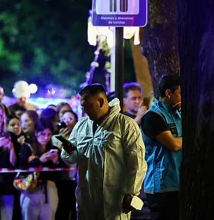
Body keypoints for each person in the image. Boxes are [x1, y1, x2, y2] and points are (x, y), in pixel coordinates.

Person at [61, 84, 147, 220]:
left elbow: (137, 162)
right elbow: (71, 158)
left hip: (114, 200)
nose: (84, 111)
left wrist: (131, 193)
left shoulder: (125, 124)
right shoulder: (81, 126)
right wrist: (68, 150)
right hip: (86, 199)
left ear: (101, 102)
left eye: (87, 106)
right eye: (82, 106)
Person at [140, 74, 182, 220]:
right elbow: (174, 145)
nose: (182, 97)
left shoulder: (179, 113)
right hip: (162, 187)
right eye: (180, 93)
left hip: (178, 183)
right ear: (168, 93)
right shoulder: (153, 117)